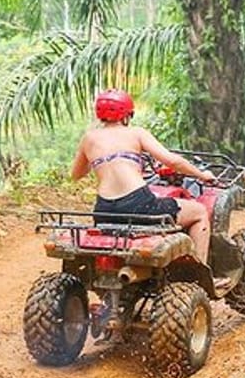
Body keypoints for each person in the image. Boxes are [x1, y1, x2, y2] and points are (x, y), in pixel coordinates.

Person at [71, 88, 216, 262]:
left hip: (104, 210)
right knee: (200, 212)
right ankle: (199, 270)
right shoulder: (136, 133)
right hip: (139, 205)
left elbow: (76, 174)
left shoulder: (89, 138)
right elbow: (173, 162)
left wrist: (99, 161)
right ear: (126, 115)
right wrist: (202, 175)